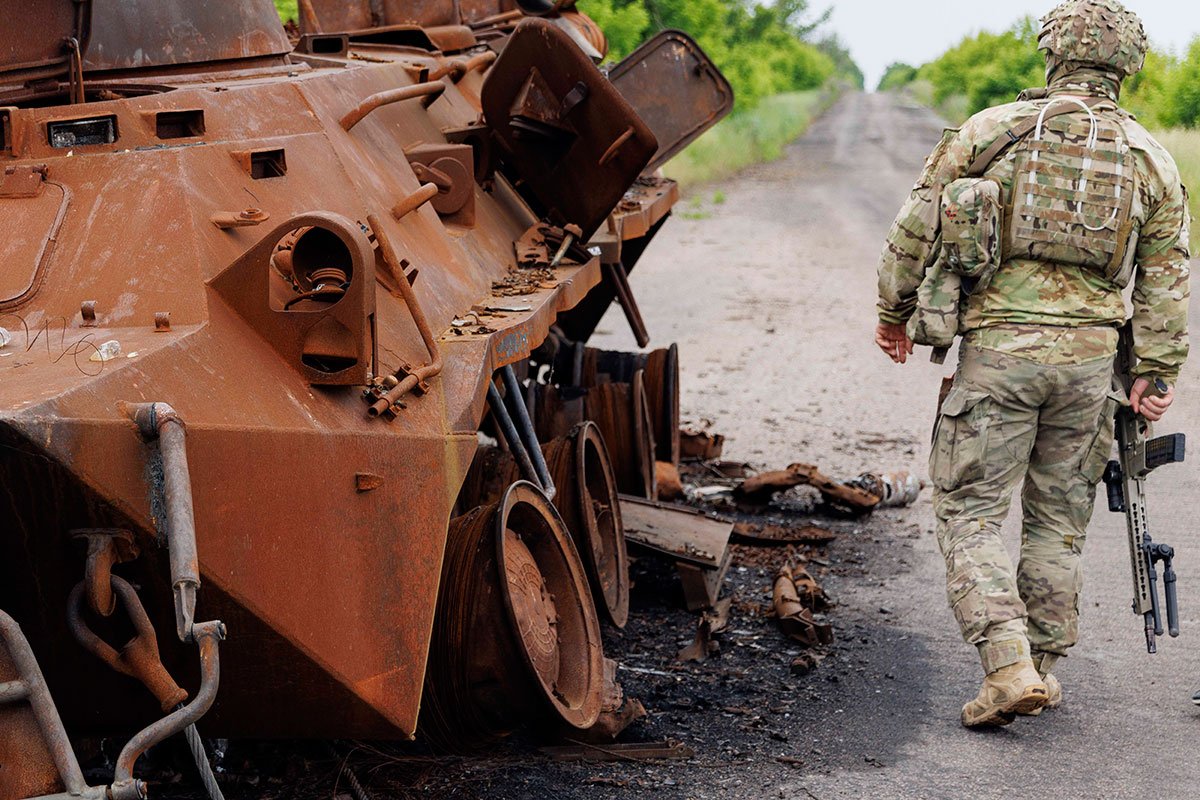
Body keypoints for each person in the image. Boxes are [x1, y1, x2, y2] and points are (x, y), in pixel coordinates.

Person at [874, 0, 1190, 727]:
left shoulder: (989, 133)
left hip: (998, 356)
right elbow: (1167, 277)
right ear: (1128, 65)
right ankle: (1043, 668)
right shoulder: (1152, 158)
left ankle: (1009, 664)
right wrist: (1156, 372)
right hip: (1090, 369)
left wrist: (894, 314)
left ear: (1051, 55)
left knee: (971, 508)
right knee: (1059, 523)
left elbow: (917, 226)